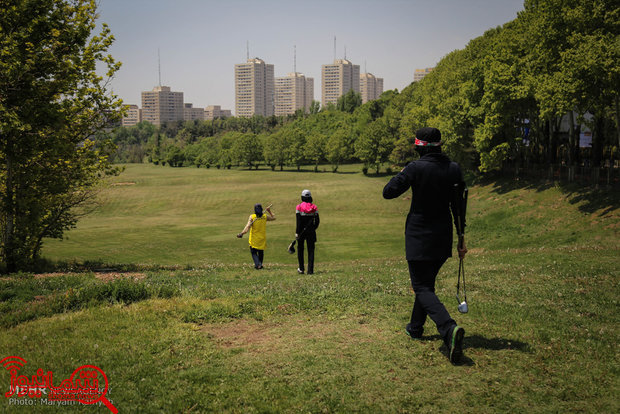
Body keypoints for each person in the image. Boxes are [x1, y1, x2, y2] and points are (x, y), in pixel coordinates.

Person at [382, 127, 468, 364]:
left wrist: (403, 171)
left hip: (419, 235)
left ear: (419, 147)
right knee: (426, 284)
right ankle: (415, 327)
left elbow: (388, 192)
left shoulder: (414, 168)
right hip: (443, 236)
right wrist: (461, 238)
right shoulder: (454, 168)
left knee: (420, 287)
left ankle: (448, 328)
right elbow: (459, 207)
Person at [237, 203, 275, 269]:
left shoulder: (252, 217)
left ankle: (258, 265)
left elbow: (247, 227)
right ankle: (260, 265)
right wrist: (269, 211)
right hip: (262, 239)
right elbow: (273, 218)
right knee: (261, 252)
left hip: (254, 239)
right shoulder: (265, 216)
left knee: (254, 253)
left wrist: (242, 233)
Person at [295, 189, 320, 275]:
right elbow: (317, 221)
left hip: (301, 232)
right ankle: (310, 270)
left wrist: (297, 232)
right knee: (311, 250)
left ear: (302, 197)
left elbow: (298, 221)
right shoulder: (314, 207)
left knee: (300, 249)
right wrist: (313, 228)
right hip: (311, 232)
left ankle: (301, 268)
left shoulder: (299, 207)